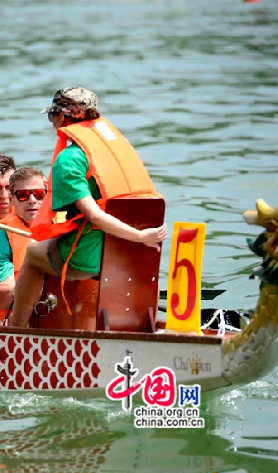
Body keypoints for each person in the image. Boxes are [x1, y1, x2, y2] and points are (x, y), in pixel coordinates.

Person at [10, 86, 167, 328]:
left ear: (62, 118)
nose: (52, 122)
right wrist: (139, 239)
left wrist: (139, 236)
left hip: (93, 256)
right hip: (133, 255)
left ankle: (15, 332)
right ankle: (142, 329)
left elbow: (94, 215)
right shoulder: (119, 150)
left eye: (52, 116)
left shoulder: (69, 159)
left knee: (32, 255)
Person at [0, 167, 47, 322]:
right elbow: (5, 299)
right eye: (23, 195)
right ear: (11, 199)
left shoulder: (67, 223)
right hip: (20, 314)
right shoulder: (0, 239)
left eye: (39, 194)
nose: (32, 200)